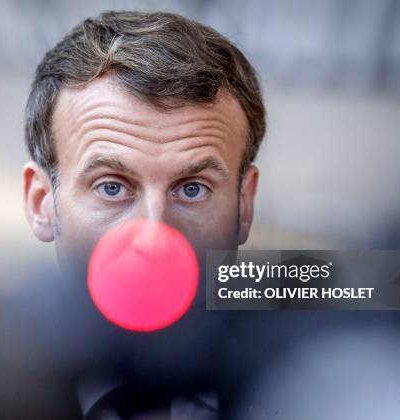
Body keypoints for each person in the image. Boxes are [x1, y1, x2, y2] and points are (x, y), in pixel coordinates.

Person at [22, 10, 266, 419]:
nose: (154, 237)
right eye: (112, 187)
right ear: (40, 202)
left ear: (245, 205)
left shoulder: (316, 386)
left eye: (193, 189)